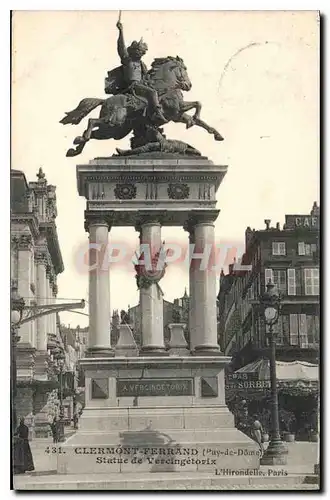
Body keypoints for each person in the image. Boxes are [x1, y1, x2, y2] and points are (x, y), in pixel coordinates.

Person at [114, 21, 166, 123]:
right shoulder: (127, 59)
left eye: (142, 52)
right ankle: (157, 113)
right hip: (133, 86)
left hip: (140, 85)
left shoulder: (142, 65)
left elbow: (147, 76)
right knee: (153, 92)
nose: (141, 54)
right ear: (133, 51)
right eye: (139, 51)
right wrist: (121, 31)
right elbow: (121, 47)